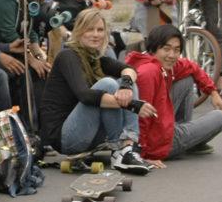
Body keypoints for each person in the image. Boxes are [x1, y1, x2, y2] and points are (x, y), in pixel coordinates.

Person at [40, 9, 153, 173]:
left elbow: (128, 69)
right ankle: (118, 148)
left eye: (100, 30)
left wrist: (127, 86)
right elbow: (84, 95)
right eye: (89, 29)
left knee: (125, 82)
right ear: (79, 31)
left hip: (90, 134)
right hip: (66, 138)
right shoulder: (67, 56)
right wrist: (133, 105)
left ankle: (128, 147)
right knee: (108, 84)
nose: (95, 34)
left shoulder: (94, 57)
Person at [125, 24, 222, 166]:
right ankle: (185, 143)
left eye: (176, 50)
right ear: (153, 48)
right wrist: (142, 154)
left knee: (186, 78)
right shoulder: (148, 73)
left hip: (162, 127)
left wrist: (213, 91)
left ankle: (184, 136)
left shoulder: (156, 62)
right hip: (158, 144)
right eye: (166, 49)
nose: (172, 55)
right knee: (220, 117)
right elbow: (141, 118)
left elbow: (192, 67)